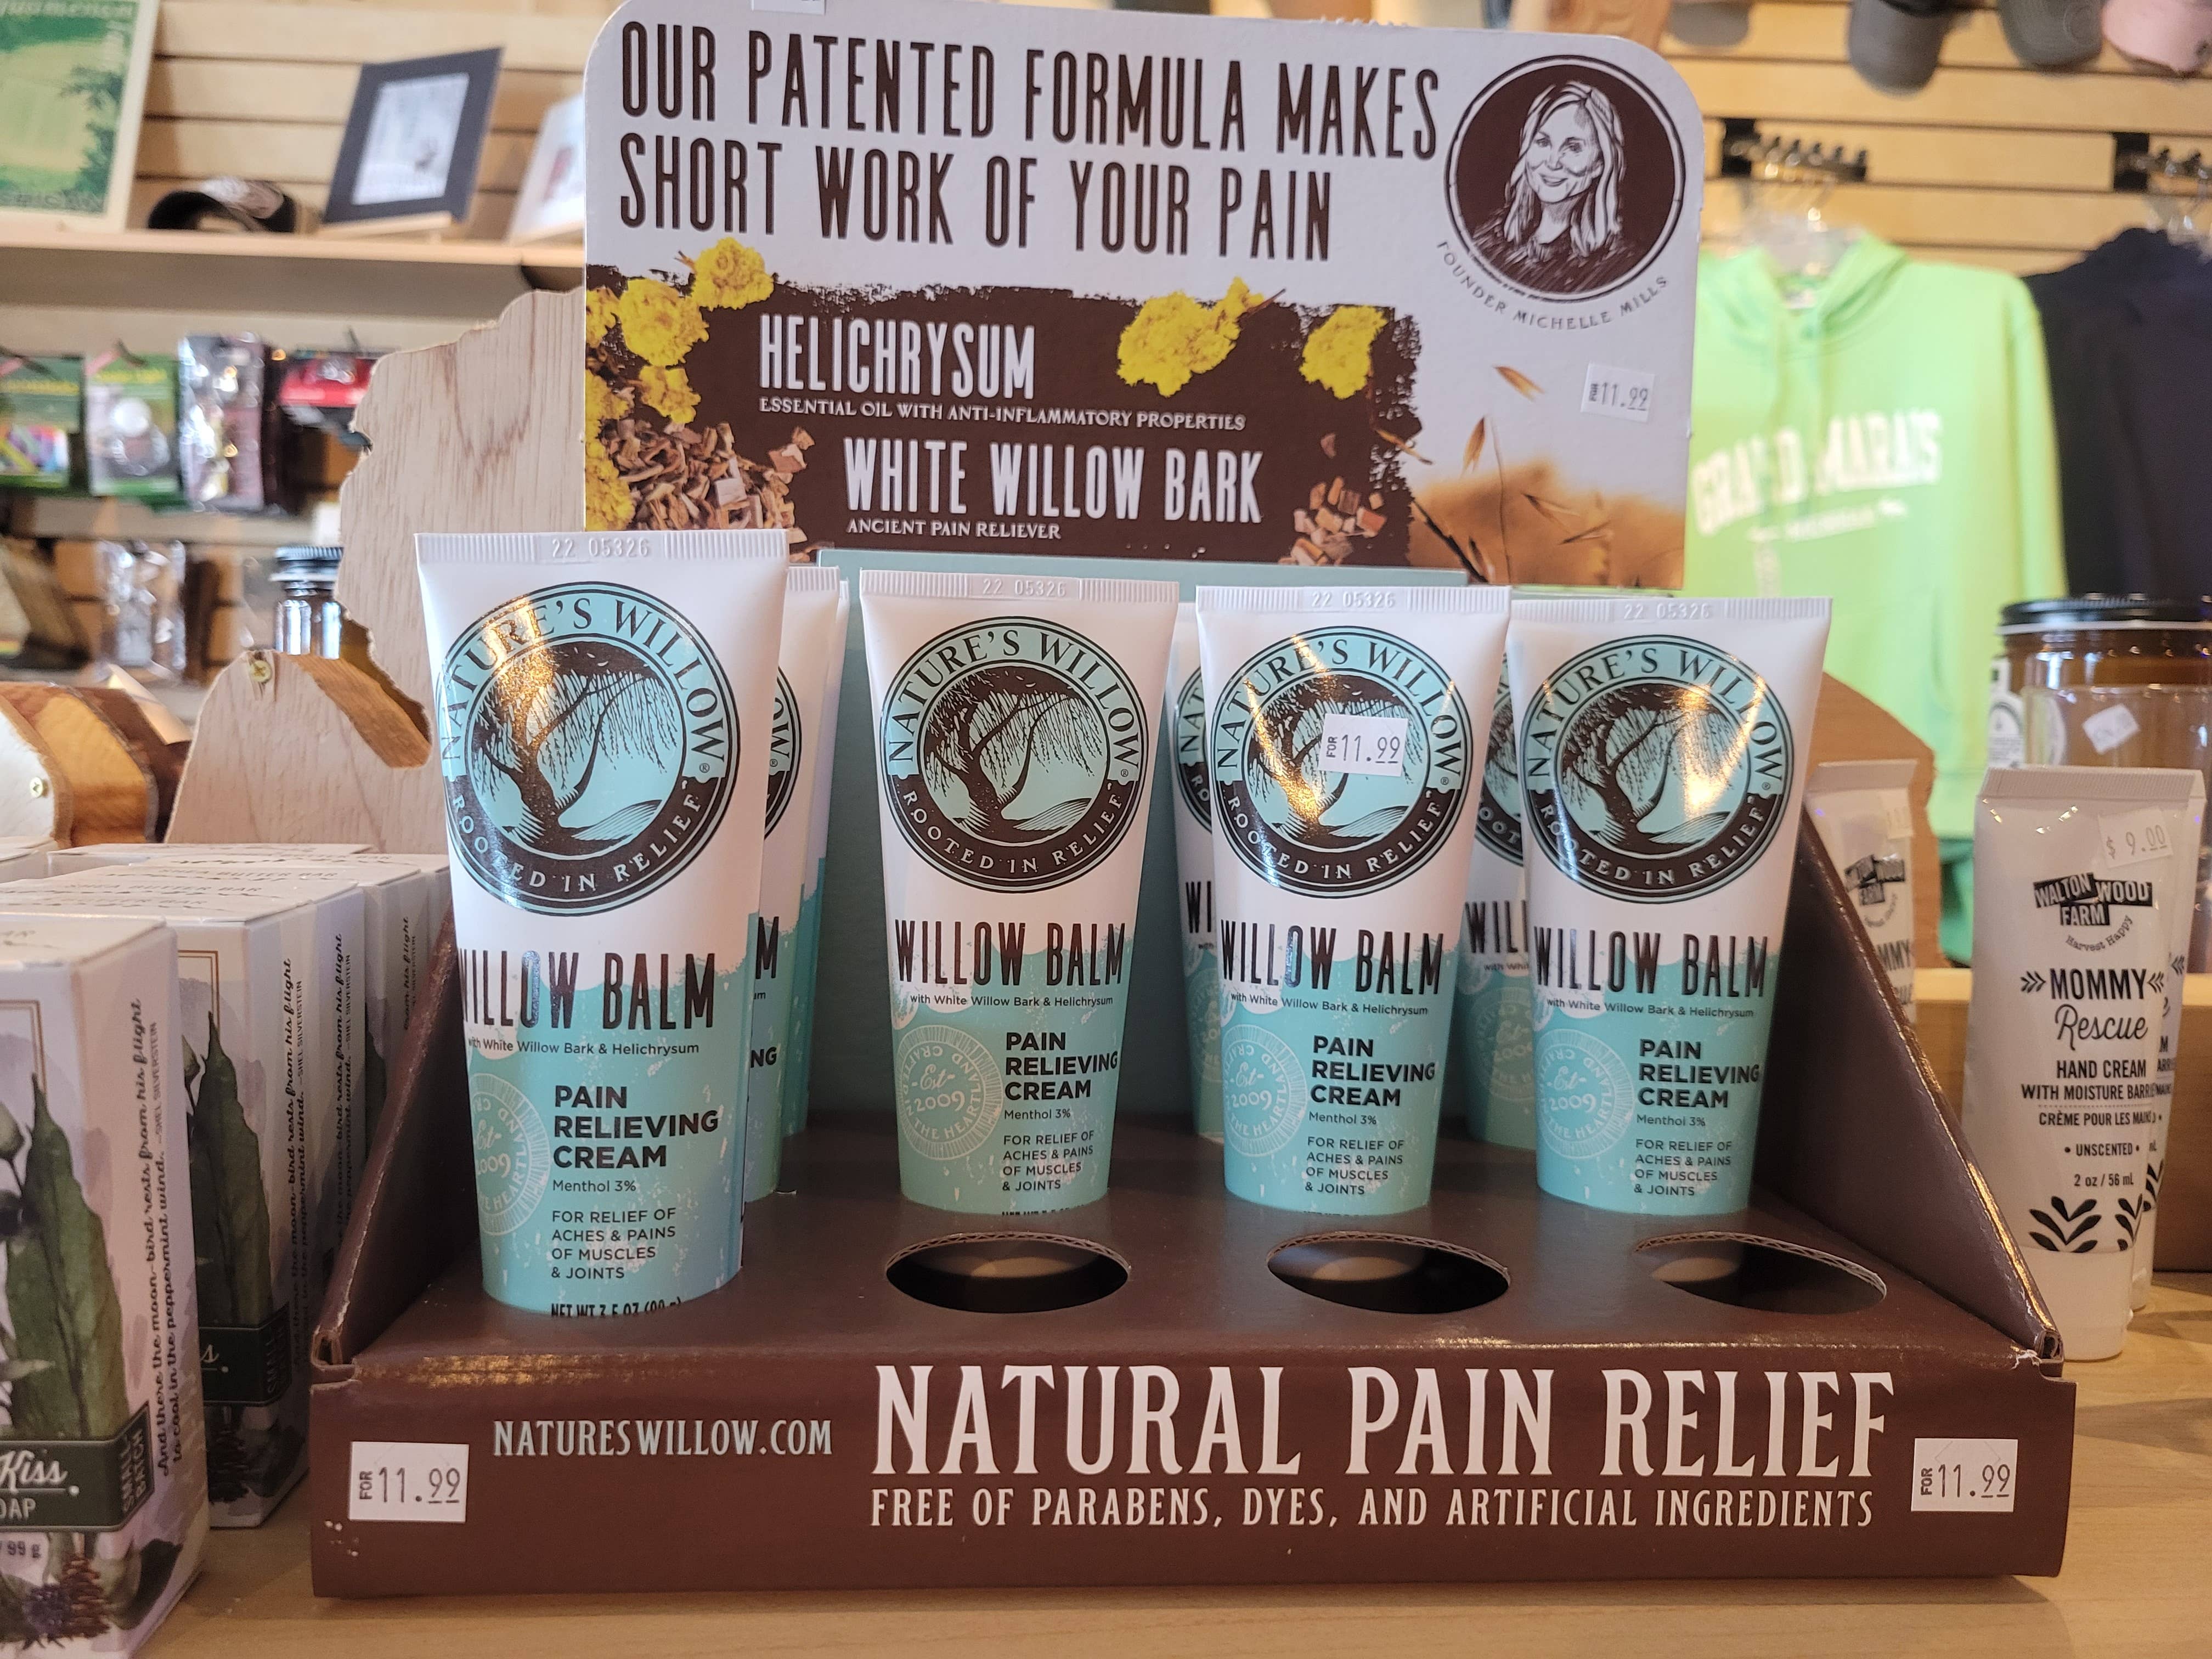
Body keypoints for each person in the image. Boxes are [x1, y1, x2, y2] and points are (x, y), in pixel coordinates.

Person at [1472, 81, 1637, 296]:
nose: (1552, 162)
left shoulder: (1620, 265)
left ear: (1599, 164)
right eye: (1543, 142)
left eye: (1573, 147)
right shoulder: (1486, 241)